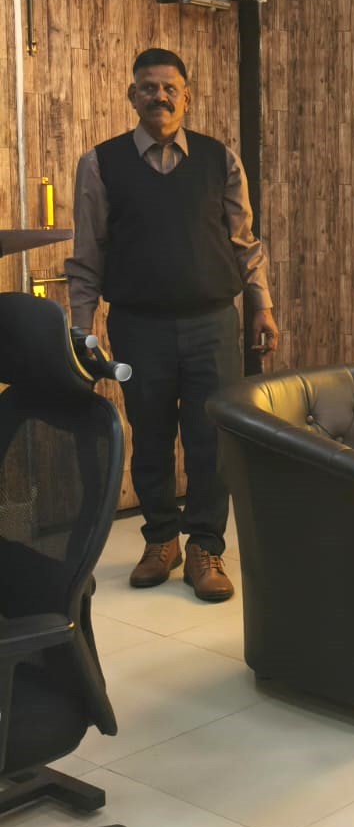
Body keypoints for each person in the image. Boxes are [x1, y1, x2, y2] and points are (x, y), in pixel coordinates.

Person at [66, 48, 279, 603]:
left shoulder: (218, 158)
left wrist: (262, 304)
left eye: (169, 88)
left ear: (187, 96)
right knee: (151, 435)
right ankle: (161, 539)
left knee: (212, 440)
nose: (159, 96)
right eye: (148, 87)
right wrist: (81, 331)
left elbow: (244, 241)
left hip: (213, 323)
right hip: (138, 327)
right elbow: (87, 255)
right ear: (132, 95)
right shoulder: (100, 163)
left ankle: (205, 546)